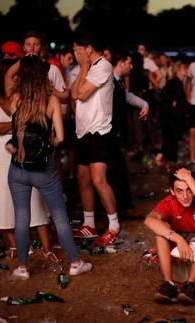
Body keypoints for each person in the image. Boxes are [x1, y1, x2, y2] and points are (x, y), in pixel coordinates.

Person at [5, 55, 92, 279]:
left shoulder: (15, 97)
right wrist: (47, 147)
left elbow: (7, 76)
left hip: (18, 169)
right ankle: (74, 263)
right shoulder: (52, 100)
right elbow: (61, 137)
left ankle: (23, 268)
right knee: (60, 217)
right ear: (44, 75)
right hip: (44, 169)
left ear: (22, 75)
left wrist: (24, 59)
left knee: (22, 218)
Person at [0, 58, 60, 261]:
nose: (18, 77)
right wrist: (20, 126)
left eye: (21, 73)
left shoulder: (20, 96)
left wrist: (28, 59)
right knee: (3, 200)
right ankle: (15, 245)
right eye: (15, 74)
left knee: (35, 200)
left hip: (23, 149)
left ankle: (47, 247)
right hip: (2, 150)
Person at [70, 31, 120, 246]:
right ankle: (89, 224)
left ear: (88, 48)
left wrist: (82, 67)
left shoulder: (103, 66)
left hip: (99, 131)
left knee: (99, 180)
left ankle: (114, 225)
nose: (75, 53)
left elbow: (82, 94)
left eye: (77, 49)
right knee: (83, 179)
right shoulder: (86, 68)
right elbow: (73, 93)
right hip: (82, 131)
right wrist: (83, 68)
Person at [144, 167, 195, 305]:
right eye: (179, 191)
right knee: (162, 231)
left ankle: (190, 286)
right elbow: (149, 220)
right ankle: (168, 284)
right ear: (172, 191)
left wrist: (189, 179)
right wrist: (178, 239)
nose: (185, 196)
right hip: (177, 267)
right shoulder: (169, 202)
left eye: (189, 189)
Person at [108, 48, 149, 217]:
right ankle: (122, 209)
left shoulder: (118, 82)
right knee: (117, 172)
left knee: (118, 172)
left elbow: (127, 96)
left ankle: (122, 207)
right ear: (121, 63)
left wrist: (144, 104)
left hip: (114, 133)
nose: (132, 67)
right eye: (129, 63)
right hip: (107, 133)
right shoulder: (109, 81)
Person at [156, 62, 189, 172]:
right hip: (169, 116)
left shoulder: (179, 83)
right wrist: (172, 101)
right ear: (179, 71)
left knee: (171, 139)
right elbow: (163, 94)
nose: (186, 71)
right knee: (171, 139)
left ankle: (161, 159)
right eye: (184, 69)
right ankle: (168, 165)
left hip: (173, 116)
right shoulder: (174, 82)